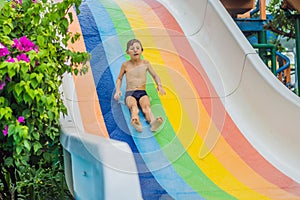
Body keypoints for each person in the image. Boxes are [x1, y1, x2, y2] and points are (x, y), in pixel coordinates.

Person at [114, 39, 166, 132]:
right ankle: (135, 121)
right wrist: (118, 90)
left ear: (142, 50)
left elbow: (155, 75)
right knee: (133, 106)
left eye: (137, 48)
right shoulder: (125, 65)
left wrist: (159, 85)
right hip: (130, 93)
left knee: (146, 107)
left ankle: (153, 123)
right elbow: (119, 78)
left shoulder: (146, 63)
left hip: (142, 92)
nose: (135, 50)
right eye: (132, 48)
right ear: (127, 52)